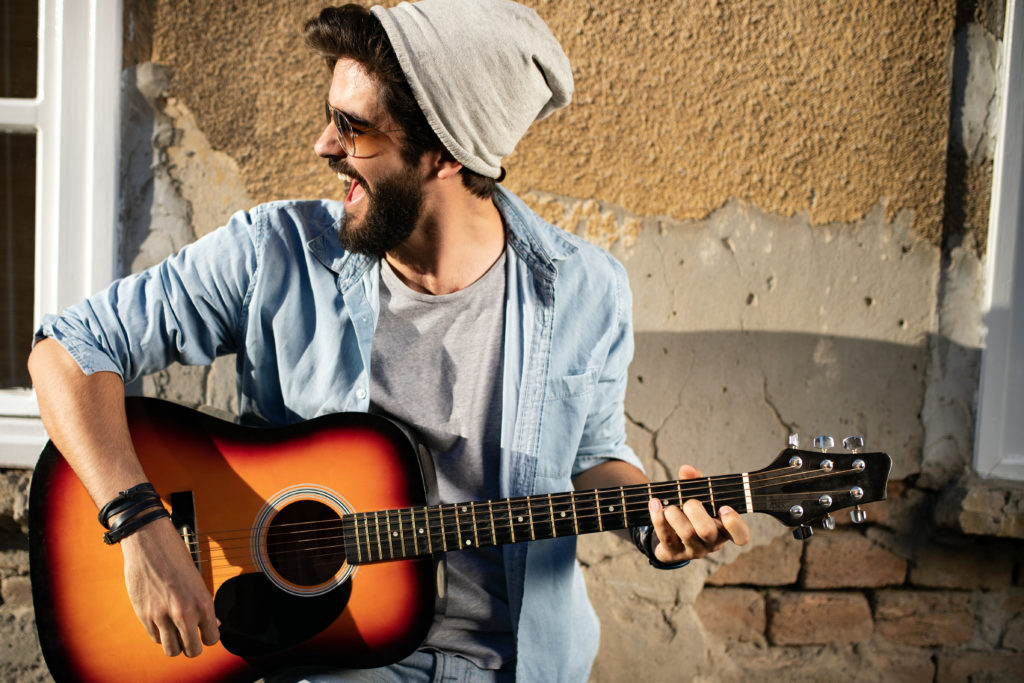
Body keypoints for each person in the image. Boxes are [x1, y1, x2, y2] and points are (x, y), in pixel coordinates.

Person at [27, 1, 750, 681]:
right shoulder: (273, 252)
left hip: (517, 663)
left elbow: (591, 456)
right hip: (327, 664)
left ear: (445, 154)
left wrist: (658, 521)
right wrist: (138, 520)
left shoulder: (587, 288)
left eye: (356, 127)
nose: (324, 145)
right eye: (330, 117)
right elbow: (65, 349)